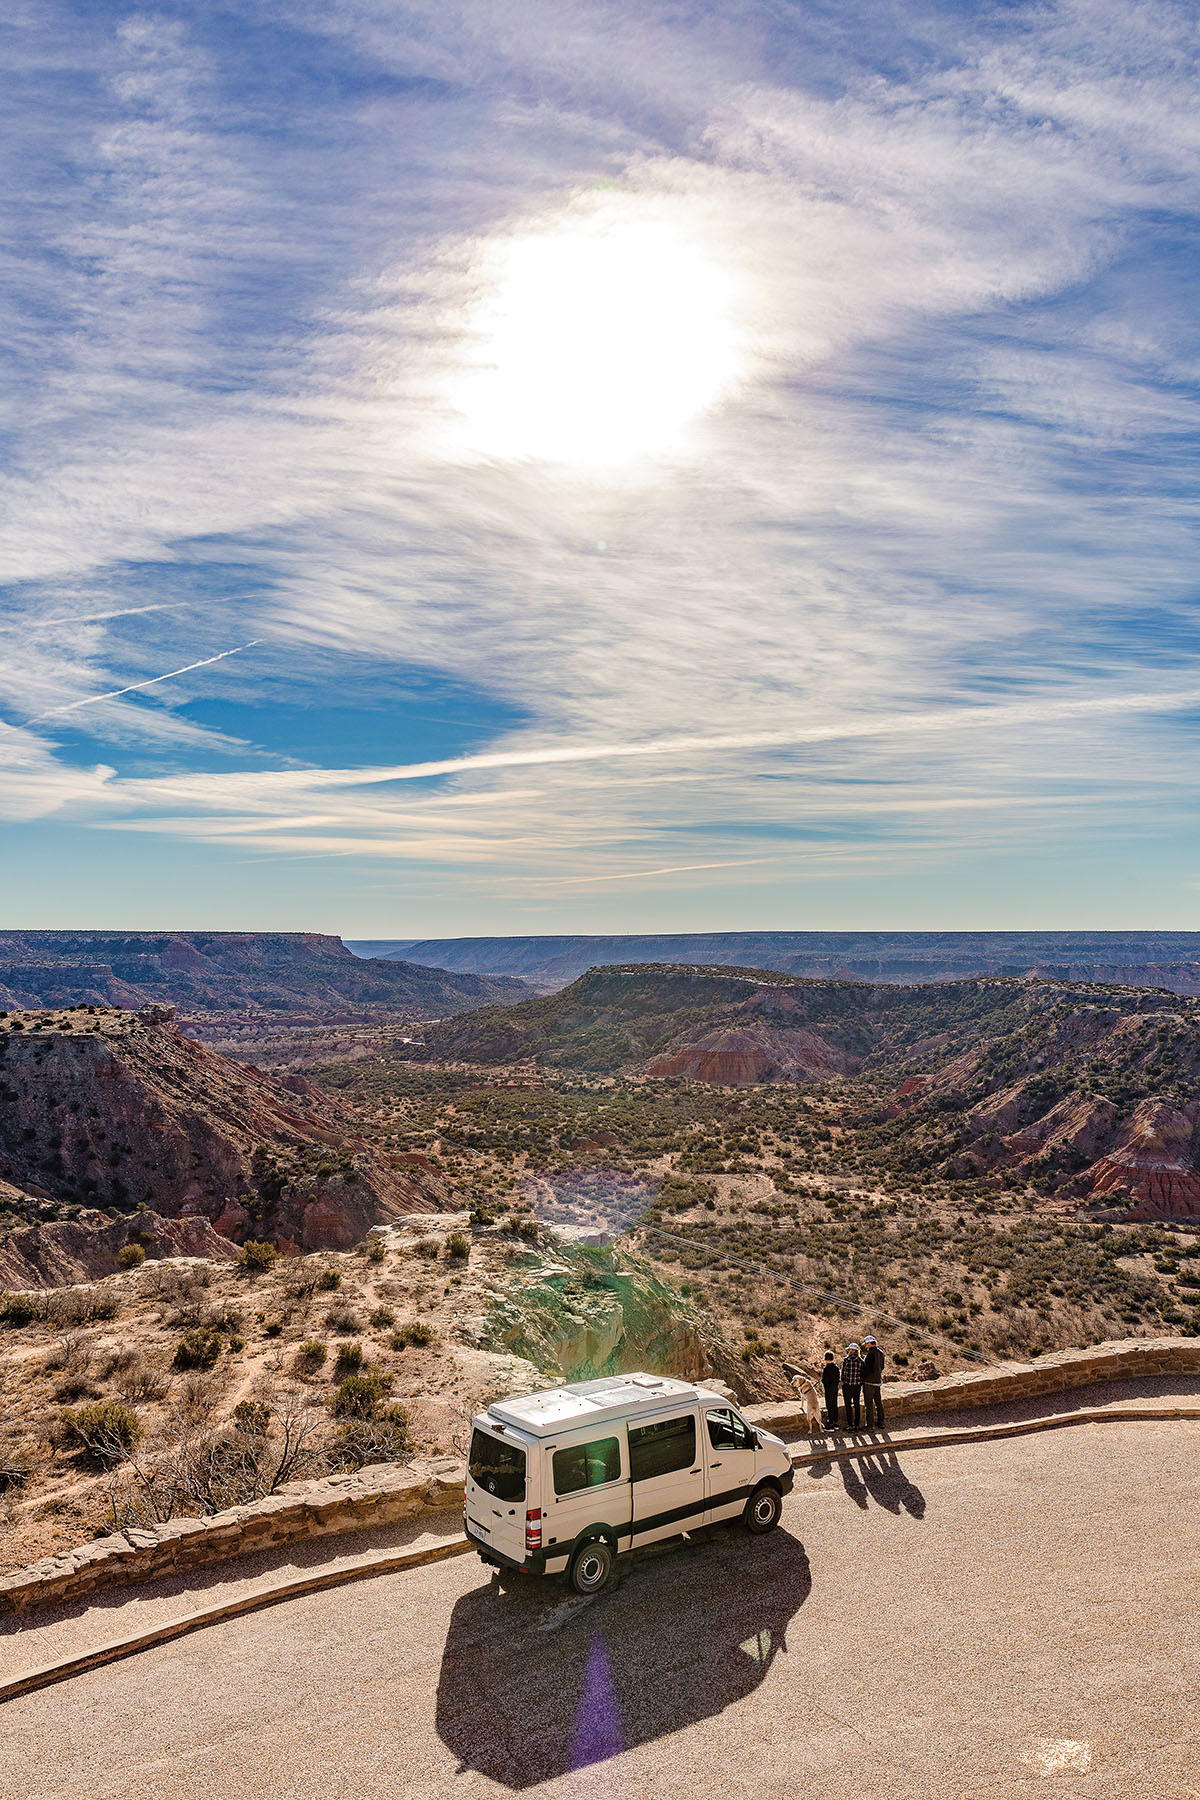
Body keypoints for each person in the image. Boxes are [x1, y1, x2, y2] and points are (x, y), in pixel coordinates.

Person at [862, 1334, 885, 1427]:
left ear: (870, 1343)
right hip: (877, 1381)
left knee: (869, 1404)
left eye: (866, 1344)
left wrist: (863, 1376)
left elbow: (867, 1369)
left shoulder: (870, 1354)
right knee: (878, 1402)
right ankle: (881, 1422)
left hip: (869, 1382)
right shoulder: (881, 1353)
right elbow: (882, 1367)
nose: (865, 1346)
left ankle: (870, 1425)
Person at [840, 1342, 864, 1429]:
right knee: (857, 1404)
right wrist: (860, 1382)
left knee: (848, 1405)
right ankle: (857, 1424)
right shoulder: (861, 1361)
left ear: (850, 1350)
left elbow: (843, 1373)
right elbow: (862, 1374)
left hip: (847, 1386)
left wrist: (842, 1381)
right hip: (857, 1386)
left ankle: (850, 1424)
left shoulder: (846, 1360)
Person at [820, 1349, 840, 1429]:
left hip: (828, 1389)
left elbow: (824, 1380)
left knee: (829, 1405)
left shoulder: (826, 1368)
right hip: (835, 1388)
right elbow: (837, 1378)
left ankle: (830, 1422)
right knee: (835, 1404)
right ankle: (835, 1422)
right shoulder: (836, 1367)